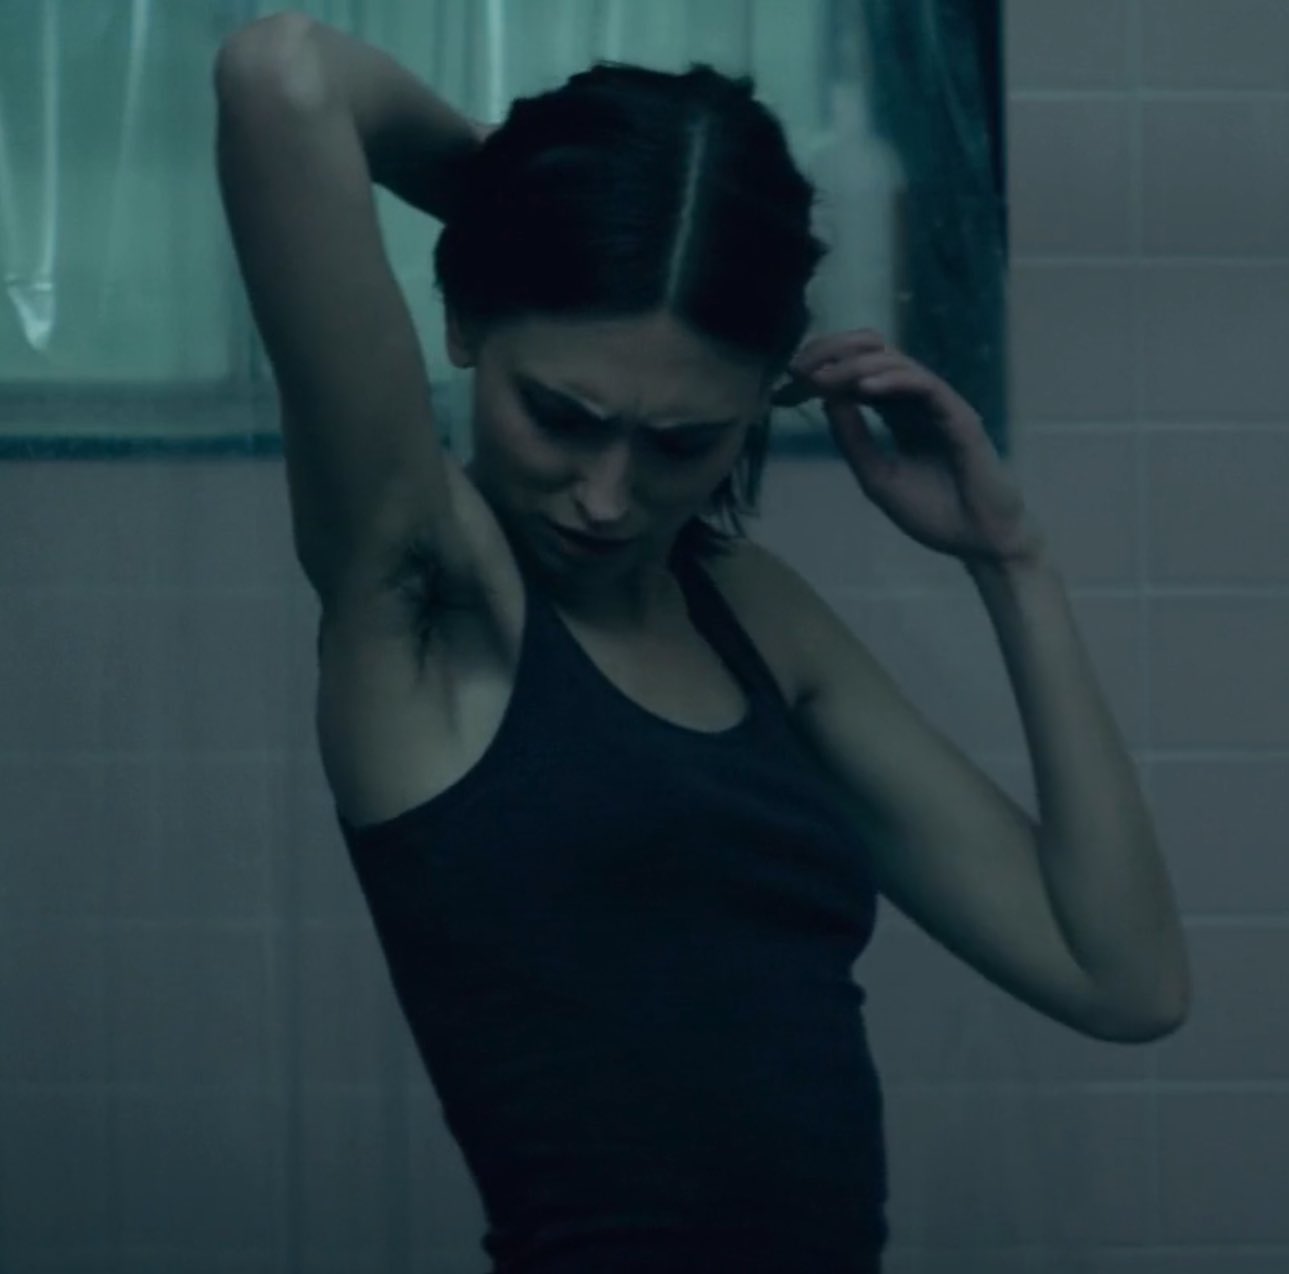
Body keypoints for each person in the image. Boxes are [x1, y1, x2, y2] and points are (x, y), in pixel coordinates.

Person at [215, 14, 1189, 1274]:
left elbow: (1121, 979)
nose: (605, 496)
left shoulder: (748, 611)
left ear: (758, 402)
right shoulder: (428, 595)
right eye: (559, 416)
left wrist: (1010, 560)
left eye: (681, 443)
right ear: (464, 321)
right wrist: (548, 221)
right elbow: (281, 77)